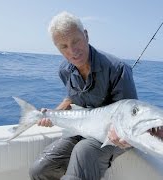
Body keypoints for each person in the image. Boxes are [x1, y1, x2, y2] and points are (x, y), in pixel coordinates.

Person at [29, 11, 138, 180]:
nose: (73, 51)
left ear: (86, 35)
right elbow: (75, 97)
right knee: (40, 169)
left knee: (84, 150)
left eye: (76, 41)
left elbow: (128, 116)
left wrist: (121, 134)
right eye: (63, 46)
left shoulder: (118, 68)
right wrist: (56, 112)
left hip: (110, 135)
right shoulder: (64, 70)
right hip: (82, 128)